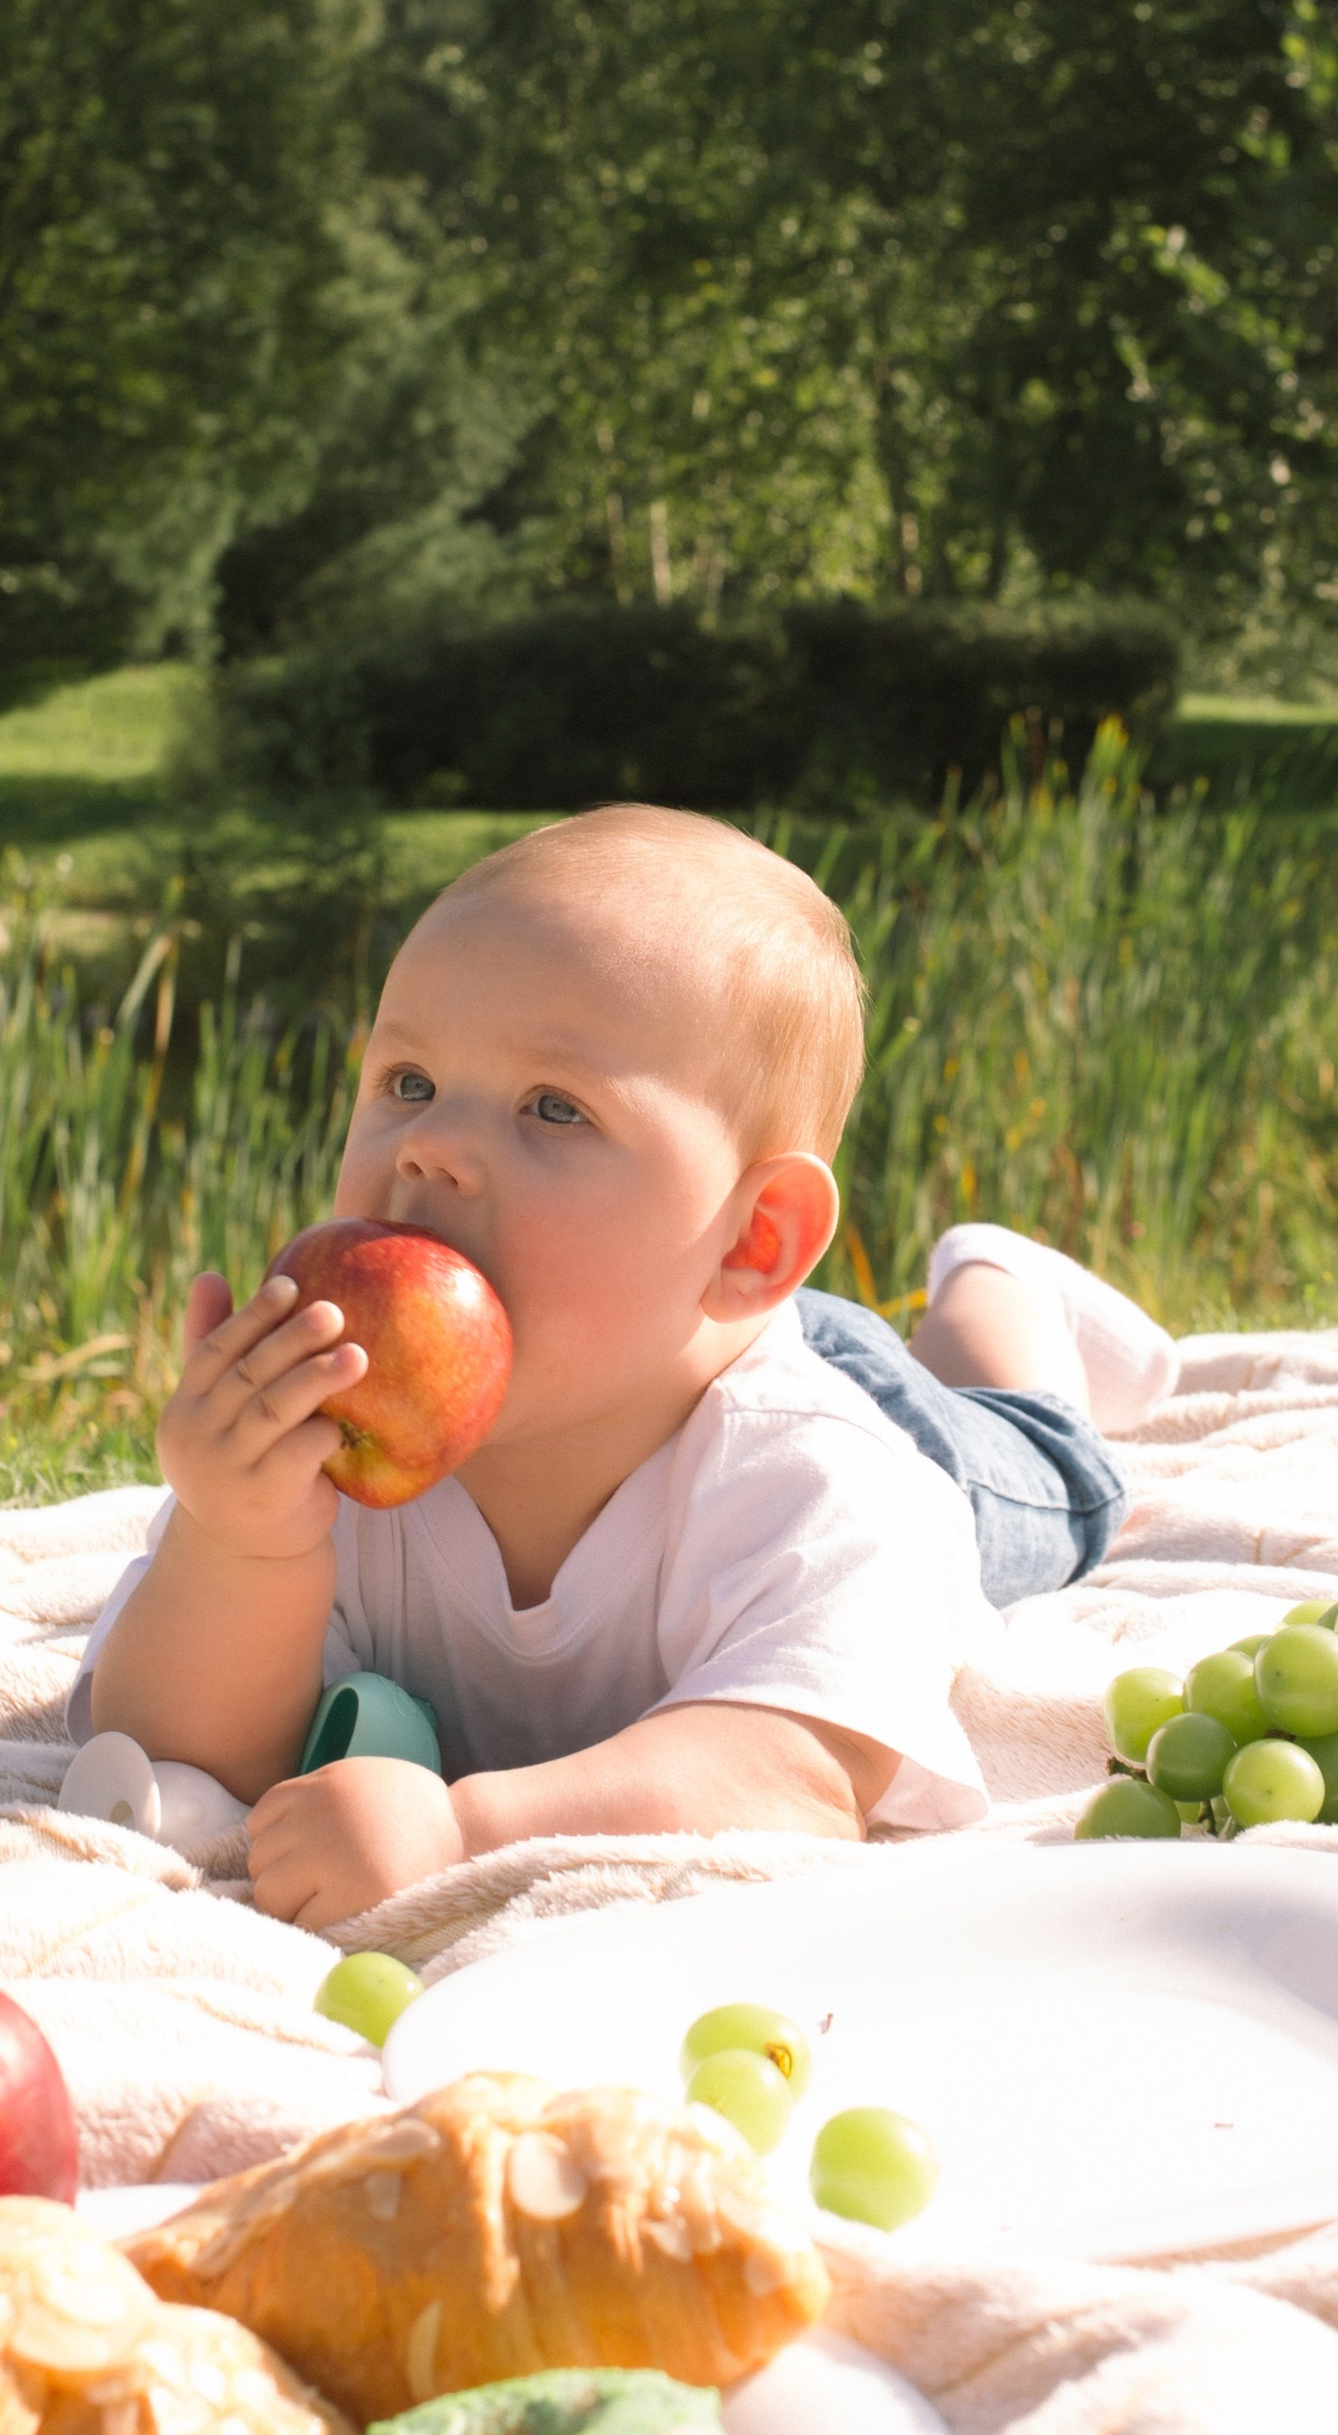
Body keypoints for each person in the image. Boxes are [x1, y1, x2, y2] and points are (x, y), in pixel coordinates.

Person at [74, 804, 1175, 1929]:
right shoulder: (347, 1436)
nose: (429, 1145)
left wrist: (467, 1831)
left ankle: (1001, 1284)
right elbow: (175, 1745)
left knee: (1043, 1469)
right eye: (407, 1081)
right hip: (656, 1332)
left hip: (856, 1410)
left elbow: (793, 1773)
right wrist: (239, 1538)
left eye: (553, 1107)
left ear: (753, 1239)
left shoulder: (827, 1488)